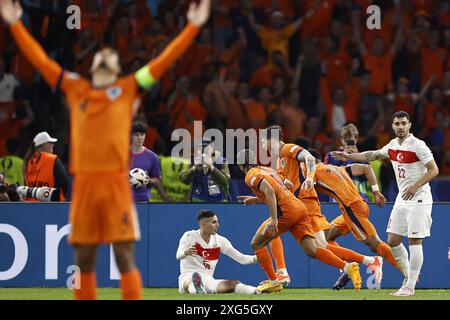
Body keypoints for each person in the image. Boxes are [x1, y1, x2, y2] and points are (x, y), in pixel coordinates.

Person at [0, 0, 211, 300]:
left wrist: (193, 26)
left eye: (112, 54)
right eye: (103, 53)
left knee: (124, 257)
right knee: (84, 260)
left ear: (115, 68)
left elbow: (164, 61)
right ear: (94, 64)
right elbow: (40, 61)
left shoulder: (128, 89)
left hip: (115, 184)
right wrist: (15, 24)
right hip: (84, 184)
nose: (107, 54)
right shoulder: (76, 88)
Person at [260, 125, 383, 290]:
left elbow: (309, 158)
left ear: (271, 139)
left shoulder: (288, 148)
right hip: (299, 202)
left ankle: (281, 274)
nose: (261, 144)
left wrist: (310, 178)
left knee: (271, 229)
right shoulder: (279, 160)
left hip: (304, 202)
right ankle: (365, 262)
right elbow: (286, 183)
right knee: (320, 246)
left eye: (262, 140)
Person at [332, 110, 439, 296]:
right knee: (393, 240)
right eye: (397, 123)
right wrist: (349, 157)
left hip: (419, 198)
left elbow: (433, 169)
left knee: (415, 241)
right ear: (393, 126)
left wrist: (415, 185)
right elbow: (370, 155)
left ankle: (410, 285)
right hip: (402, 199)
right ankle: (409, 275)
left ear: (409, 125)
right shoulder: (392, 145)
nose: (400, 126)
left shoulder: (418, 145)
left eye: (403, 123)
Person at [236, 149, 362, 294]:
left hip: (287, 212)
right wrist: (257, 199)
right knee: (312, 250)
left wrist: (274, 219)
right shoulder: (267, 170)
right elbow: (287, 186)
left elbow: (270, 191)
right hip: (300, 208)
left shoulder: (250, 175)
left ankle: (274, 282)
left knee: (256, 243)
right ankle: (348, 267)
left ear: (240, 165)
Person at [176, 210, 259, 295]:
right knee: (190, 283)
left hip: (208, 279)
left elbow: (242, 259)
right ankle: (196, 287)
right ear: (203, 225)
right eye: (214, 222)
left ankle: (257, 291)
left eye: (217, 222)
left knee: (233, 283)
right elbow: (178, 255)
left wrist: (257, 258)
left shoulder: (220, 241)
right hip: (187, 276)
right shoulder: (189, 236)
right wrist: (186, 252)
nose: (218, 225)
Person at [325, 123, 371, 202]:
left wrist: (357, 158)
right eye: (346, 140)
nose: (347, 143)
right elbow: (326, 176)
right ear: (341, 139)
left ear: (356, 139)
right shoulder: (331, 155)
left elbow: (366, 178)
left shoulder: (363, 157)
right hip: (337, 200)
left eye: (351, 141)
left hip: (359, 199)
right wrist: (341, 159)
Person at [180, 138, 230, 202]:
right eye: (200, 149)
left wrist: (212, 167)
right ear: (197, 150)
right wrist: (194, 168)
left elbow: (225, 181)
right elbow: (184, 180)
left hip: (220, 200)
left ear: (213, 150)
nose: (203, 151)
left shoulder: (221, 161)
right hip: (198, 199)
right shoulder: (192, 161)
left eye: (207, 149)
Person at [130, 121, 169, 202]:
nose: (140, 138)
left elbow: (157, 180)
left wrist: (146, 179)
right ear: (131, 136)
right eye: (136, 135)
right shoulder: (122, 155)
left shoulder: (152, 157)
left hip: (143, 201)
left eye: (142, 135)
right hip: (124, 201)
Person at [23, 131, 69, 201]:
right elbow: (65, 184)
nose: (52, 145)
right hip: (52, 206)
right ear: (42, 146)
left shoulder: (28, 162)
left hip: (32, 206)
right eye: (50, 143)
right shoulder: (52, 159)